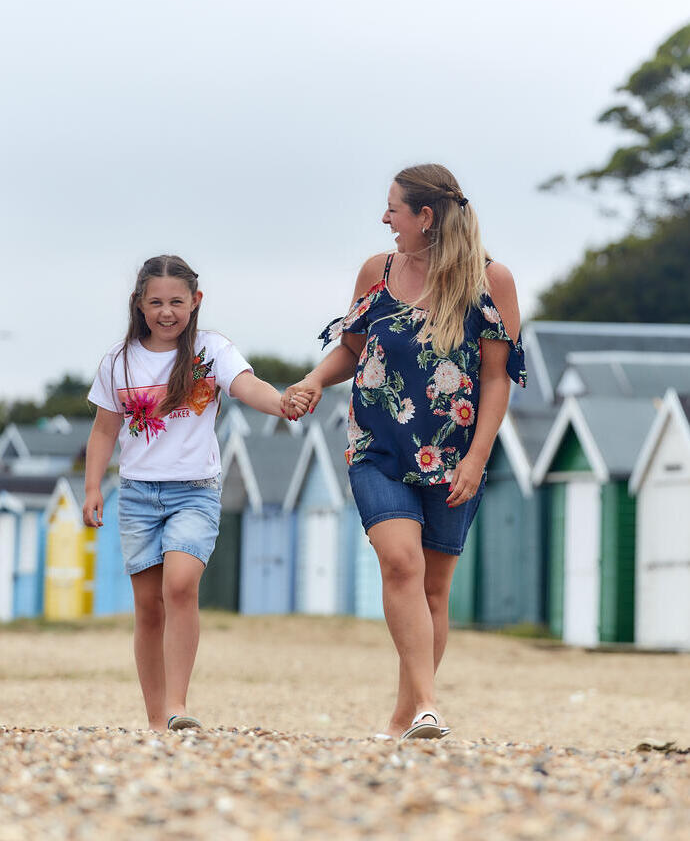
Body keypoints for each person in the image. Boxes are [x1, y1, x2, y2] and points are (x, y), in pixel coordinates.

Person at [282, 164, 526, 740]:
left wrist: (478, 457)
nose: (384, 218)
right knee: (400, 563)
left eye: (393, 208)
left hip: (453, 456)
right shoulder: (378, 271)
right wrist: (316, 380)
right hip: (377, 448)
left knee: (434, 589)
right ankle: (429, 705)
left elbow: (497, 379)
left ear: (426, 216)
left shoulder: (492, 280)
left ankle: (405, 716)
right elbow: (351, 348)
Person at [82, 254, 308, 731]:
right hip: (139, 494)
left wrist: (282, 403)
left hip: (195, 492)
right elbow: (103, 432)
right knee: (147, 607)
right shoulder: (118, 361)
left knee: (180, 585)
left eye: (177, 302)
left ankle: (179, 705)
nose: (167, 312)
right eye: (156, 302)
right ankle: (156, 719)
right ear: (138, 305)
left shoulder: (212, 351)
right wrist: (91, 488)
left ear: (196, 302)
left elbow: (248, 387)